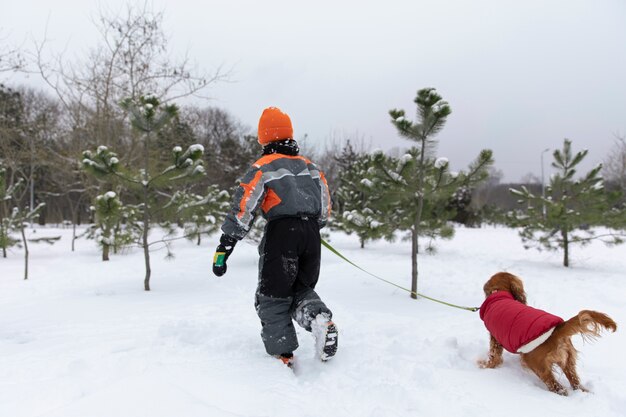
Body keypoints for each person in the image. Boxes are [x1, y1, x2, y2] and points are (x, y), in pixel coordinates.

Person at [212, 106, 338, 367]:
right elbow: (325, 206)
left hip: (282, 235)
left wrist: (226, 245)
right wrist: (310, 227)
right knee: (301, 289)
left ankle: (283, 354)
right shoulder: (311, 167)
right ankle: (318, 318)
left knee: (273, 296)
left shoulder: (263, 167)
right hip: (311, 236)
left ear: (264, 138)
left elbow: (244, 206)